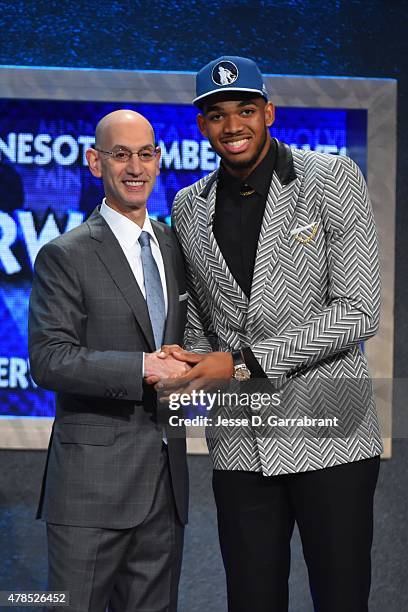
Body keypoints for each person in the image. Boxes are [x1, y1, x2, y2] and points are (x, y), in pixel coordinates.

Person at [160, 56, 383, 612]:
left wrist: (239, 362)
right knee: (251, 599)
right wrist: (186, 362)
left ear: (269, 112)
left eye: (245, 110)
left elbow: (358, 311)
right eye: (216, 115)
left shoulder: (331, 178)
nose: (232, 126)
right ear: (201, 126)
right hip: (241, 444)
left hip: (332, 436)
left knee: (340, 596)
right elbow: (203, 319)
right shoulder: (188, 205)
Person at [28, 109, 189, 612]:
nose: (134, 167)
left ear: (159, 161)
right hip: (90, 492)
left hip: (166, 487)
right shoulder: (65, 254)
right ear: (95, 162)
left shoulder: (174, 246)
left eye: (145, 154)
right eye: (120, 154)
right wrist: (144, 367)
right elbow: (50, 359)